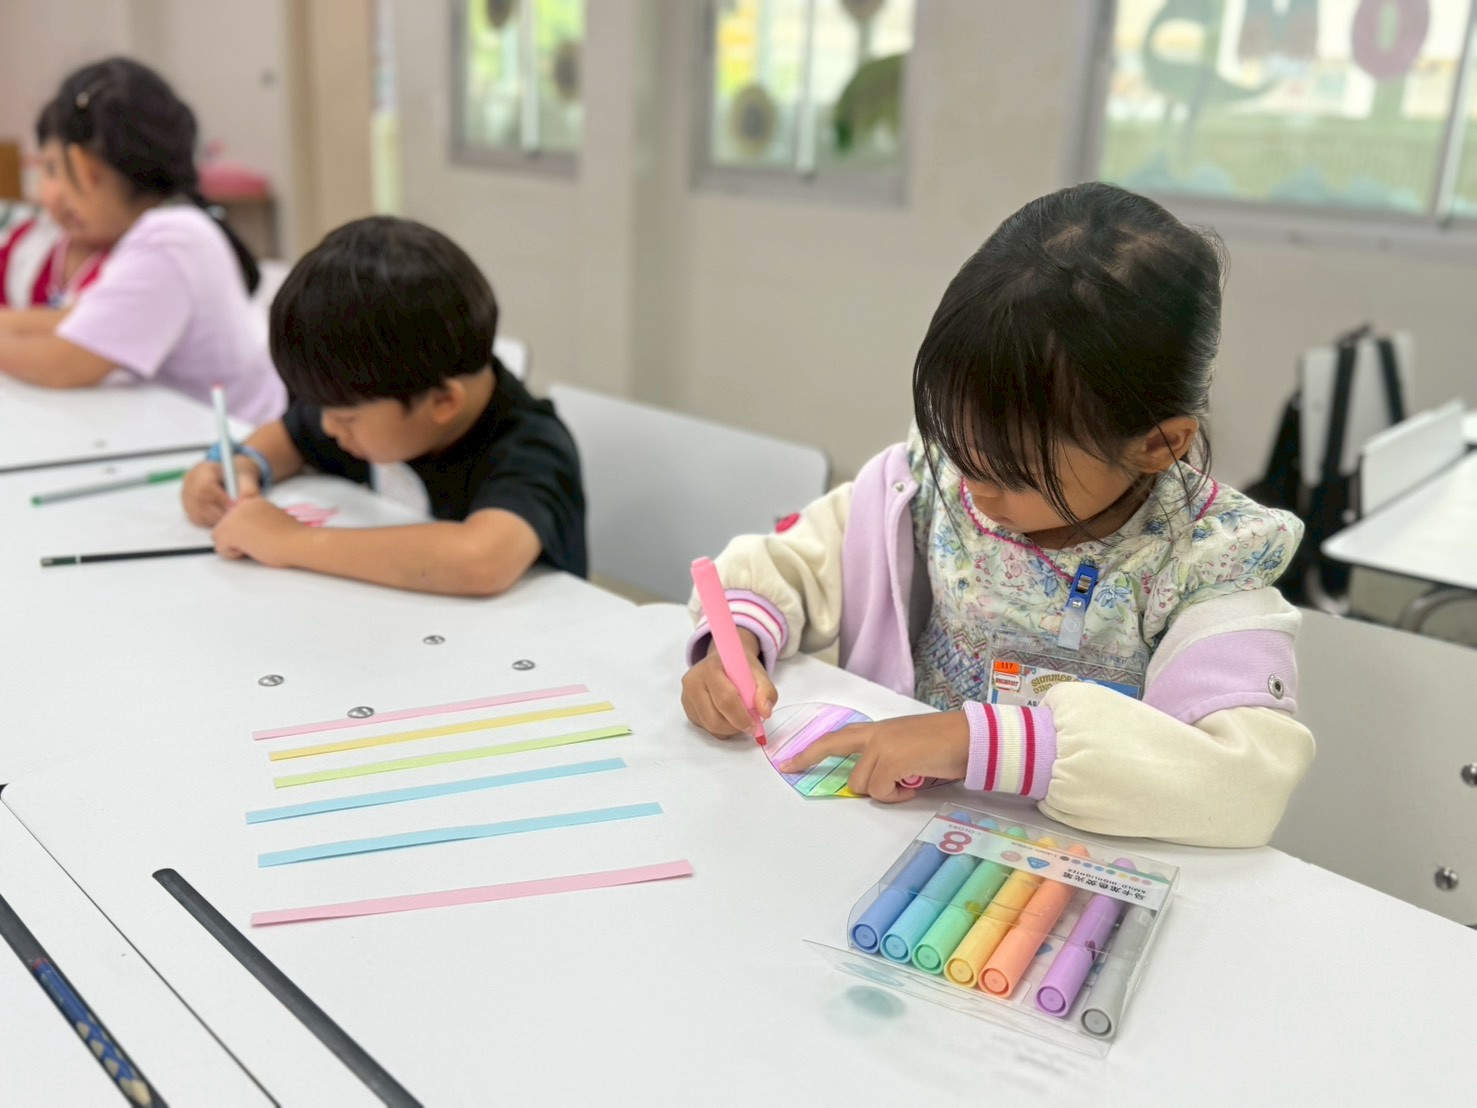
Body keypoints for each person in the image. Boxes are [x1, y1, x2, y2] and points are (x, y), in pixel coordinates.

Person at [680, 183, 1314, 848]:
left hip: (1068, 868)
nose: (976, 491)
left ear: (1158, 445)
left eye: (1014, 473)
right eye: (963, 452)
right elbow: (795, 561)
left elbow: (1243, 782)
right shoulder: (928, 485)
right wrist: (736, 645)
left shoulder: (1204, 563)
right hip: (889, 835)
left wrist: (977, 742)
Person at [181, 216, 587, 596]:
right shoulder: (378, 399)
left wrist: (289, 541)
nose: (329, 428)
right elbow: (289, 437)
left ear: (443, 402)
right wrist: (242, 466)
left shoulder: (531, 447)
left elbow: (480, 560)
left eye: (345, 418)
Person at [0, 57, 284, 423]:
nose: (46, 193)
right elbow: (70, 320)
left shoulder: (170, 241)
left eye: (54, 168)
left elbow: (62, 363)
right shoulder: (173, 228)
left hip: (233, 439)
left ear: (85, 169)